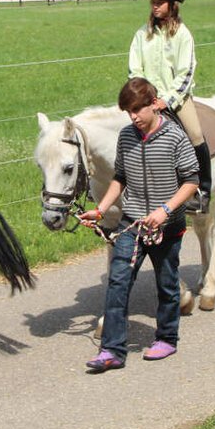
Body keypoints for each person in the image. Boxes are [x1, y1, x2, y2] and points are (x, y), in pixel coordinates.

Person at [77, 77, 199, 372]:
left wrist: (165, 210)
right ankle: (112, 350)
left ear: (153, 104)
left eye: (137, 110)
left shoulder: (175, 137)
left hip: (166, 226)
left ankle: (167, 338)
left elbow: (191, 181)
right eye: (128, 112)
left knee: (167, 284)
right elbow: (120, 177)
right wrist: (100, 210)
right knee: (118, 281)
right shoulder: (126, 136)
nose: (133, 117)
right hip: (132, 223)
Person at [128, 0, 210, 214]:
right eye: (153, 2)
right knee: (125, 135)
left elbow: (186, 72)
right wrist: (142, 98)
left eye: (159, 2)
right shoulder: (142, 34)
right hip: (146, 100)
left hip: (176, 99)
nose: (154, 6)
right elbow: (135, 69)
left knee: (195, 135)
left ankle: (202, 191)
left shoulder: (183, 35)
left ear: (173, 5)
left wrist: (167, 100)